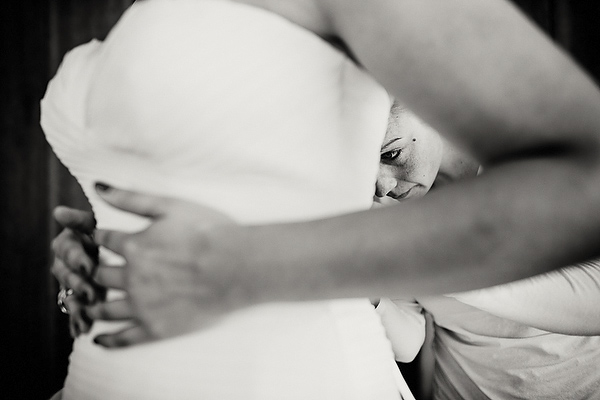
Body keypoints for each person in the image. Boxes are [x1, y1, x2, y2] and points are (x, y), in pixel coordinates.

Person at [44, 0, 600, 397]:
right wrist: (117, 255)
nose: (383, 185)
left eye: (390, 154)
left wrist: (237, 264)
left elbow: (587, 186)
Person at [372, 103, 600, 398]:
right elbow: (409, 342)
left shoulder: (534, 156)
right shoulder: (389, 209)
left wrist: (450, 269)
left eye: (391, 154)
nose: (383, 185)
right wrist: (372, 300)